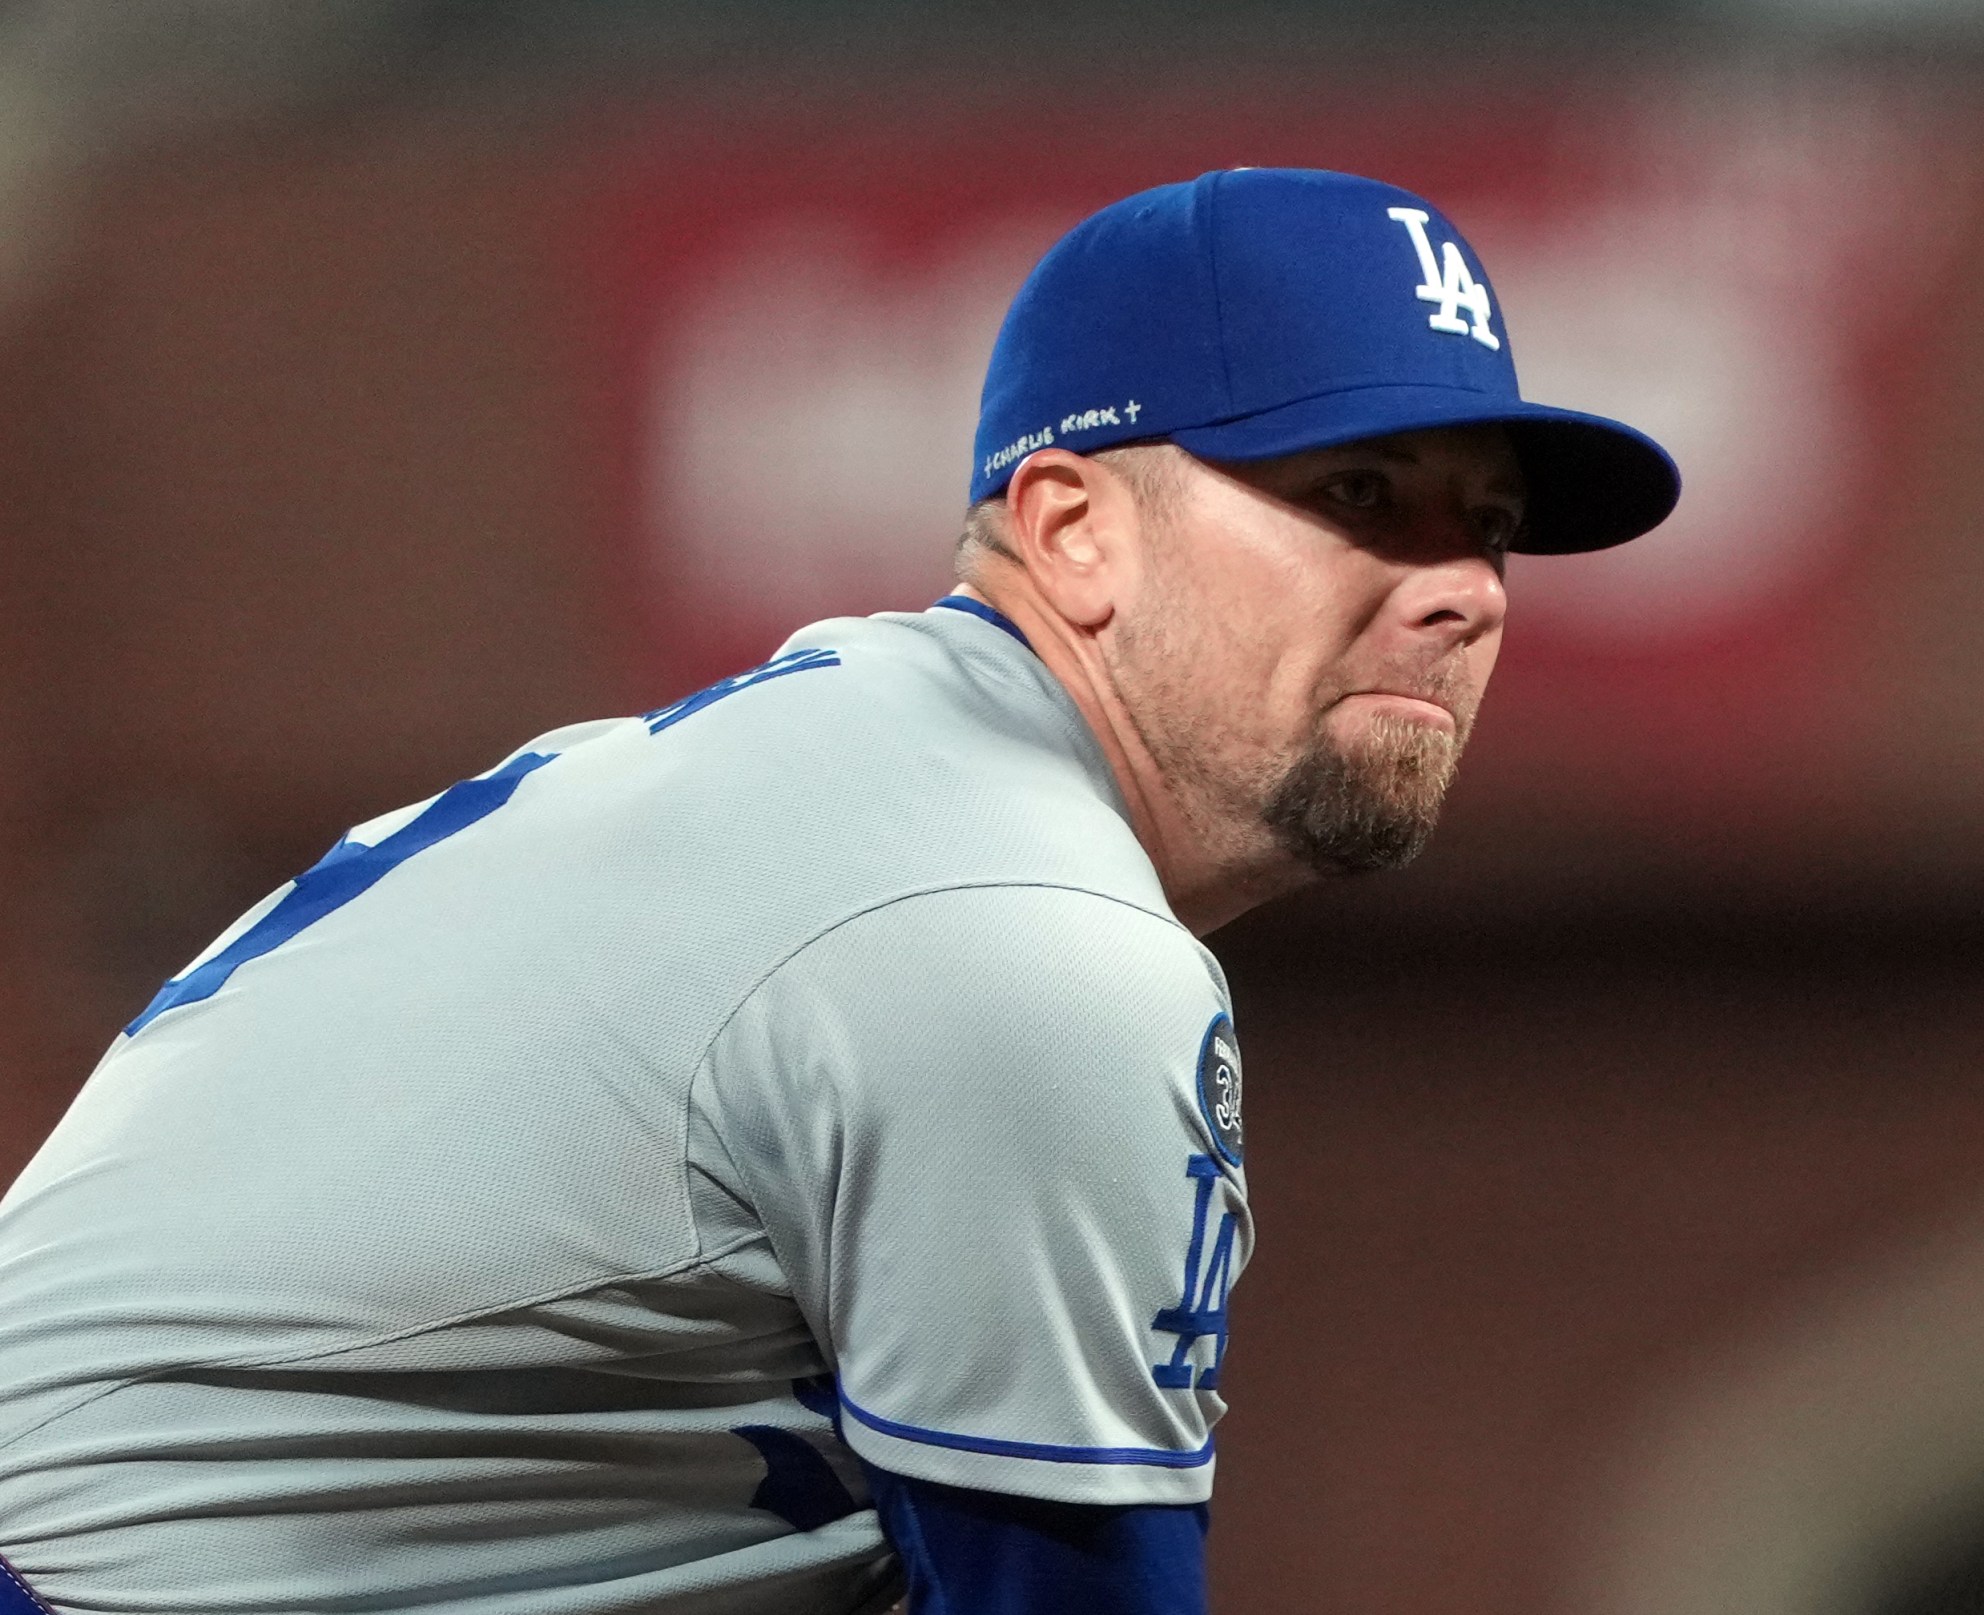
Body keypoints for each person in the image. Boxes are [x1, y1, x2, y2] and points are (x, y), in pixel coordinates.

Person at [0, 167, 1675, 1614]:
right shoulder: (1020, 941)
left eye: (1493, 525)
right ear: (1075, 532)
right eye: (1358, 496)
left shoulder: (856, 782)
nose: (1462, 589)